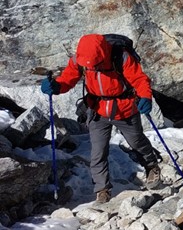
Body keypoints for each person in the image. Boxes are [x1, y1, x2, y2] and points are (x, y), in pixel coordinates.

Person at [41, 34, 162, 203]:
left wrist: (145, 97)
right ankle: (102, 189)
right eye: (90, 65)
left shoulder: (121, 57)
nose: (93, 68)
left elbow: (139, 79)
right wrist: (56, 86)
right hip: (97, 110)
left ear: (103, 54)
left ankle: (151, 166)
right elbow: (68, 79)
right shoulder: (80, 60)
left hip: (125, 108)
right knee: (98, 152)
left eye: (96, 64)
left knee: (137, 142)